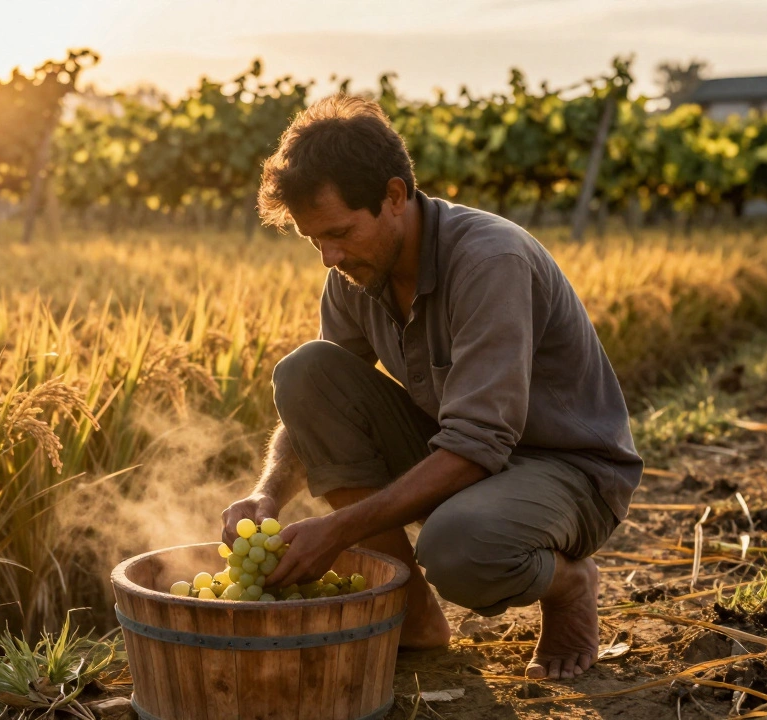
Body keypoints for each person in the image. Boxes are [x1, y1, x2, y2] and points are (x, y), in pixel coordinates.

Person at [220, 94, 643, 681]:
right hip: (466, 454)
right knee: (306, 370)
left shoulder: (490, 260)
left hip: (568, 470)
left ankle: (570, 583)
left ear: (395, 196)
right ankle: (411, 615)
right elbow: (318, 406)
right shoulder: (354, 269)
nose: (328, 256)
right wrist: (267, 495)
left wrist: (337, 531)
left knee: (457, 548)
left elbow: (478, 444)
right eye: (313, 239)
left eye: (339, 232)